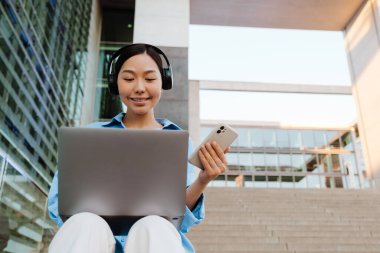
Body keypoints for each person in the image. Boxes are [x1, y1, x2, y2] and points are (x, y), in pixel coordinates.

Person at [47, 43, 230, 253]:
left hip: (154, 242)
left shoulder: (176, 141)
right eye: (128, 78)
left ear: (164, 82)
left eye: (150, 79)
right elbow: (58, 206)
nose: (140, 87)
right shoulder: (89, 136)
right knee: (84, 223)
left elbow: (181, 219)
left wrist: (203, 179)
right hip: (93, 241)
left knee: (155, 225)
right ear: (115, 82)